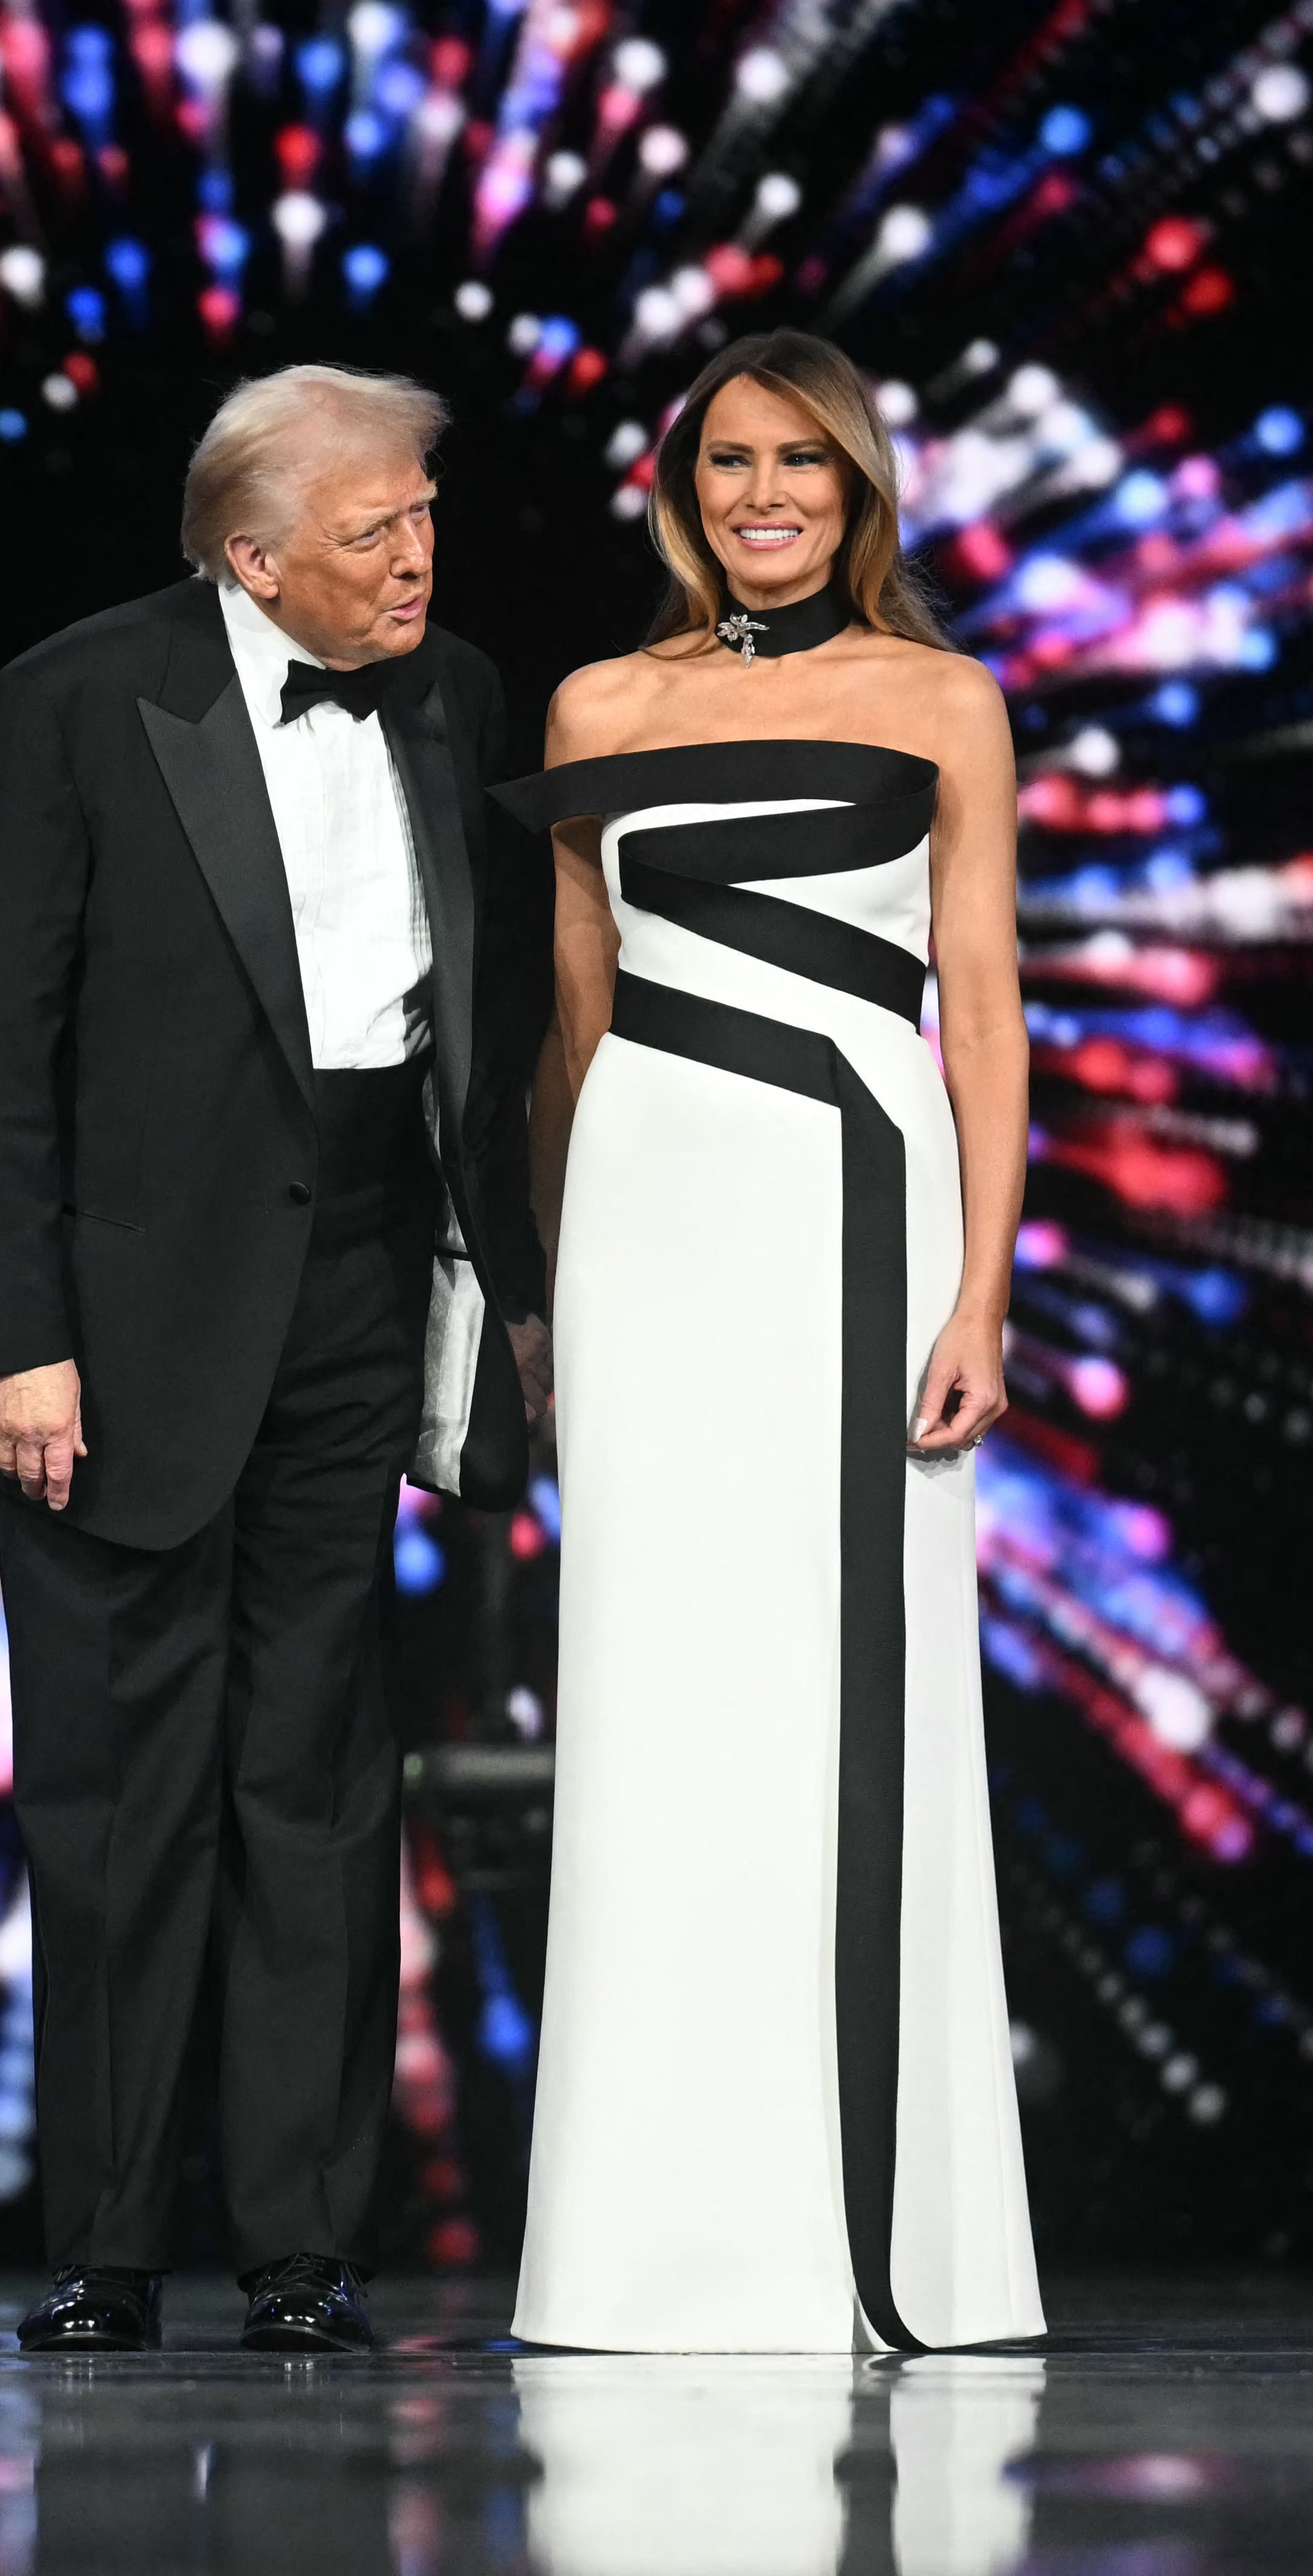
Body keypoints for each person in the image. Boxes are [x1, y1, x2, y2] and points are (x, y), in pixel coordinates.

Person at [0, 364, 551, 2356]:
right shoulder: (78, 699)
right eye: (374, 533)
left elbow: (486, 1023)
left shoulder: (455, 695)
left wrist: (498, 1294)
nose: (417, 556)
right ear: (252, 555)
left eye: (425, 517)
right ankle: (103, 2244)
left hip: (355, 1288)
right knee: (116, 1792)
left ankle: (300, 2244)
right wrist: (16, 1333)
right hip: (116, 1329)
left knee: (319, 1782)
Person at [495, 329, 1044, 2353]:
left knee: (841, 1689)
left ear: (861, 488)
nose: (764, 498)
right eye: (732, 462)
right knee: (649, 1689)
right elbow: (574, 1024)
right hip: (646, 1217)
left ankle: (865, 2245)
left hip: (853, 1211)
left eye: (803, 465)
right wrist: (550, 1288)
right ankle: (644, 2247)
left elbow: (976, 1007)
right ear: (685, 485)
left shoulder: (941, 699)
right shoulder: (597, 703)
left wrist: (979, 1283)